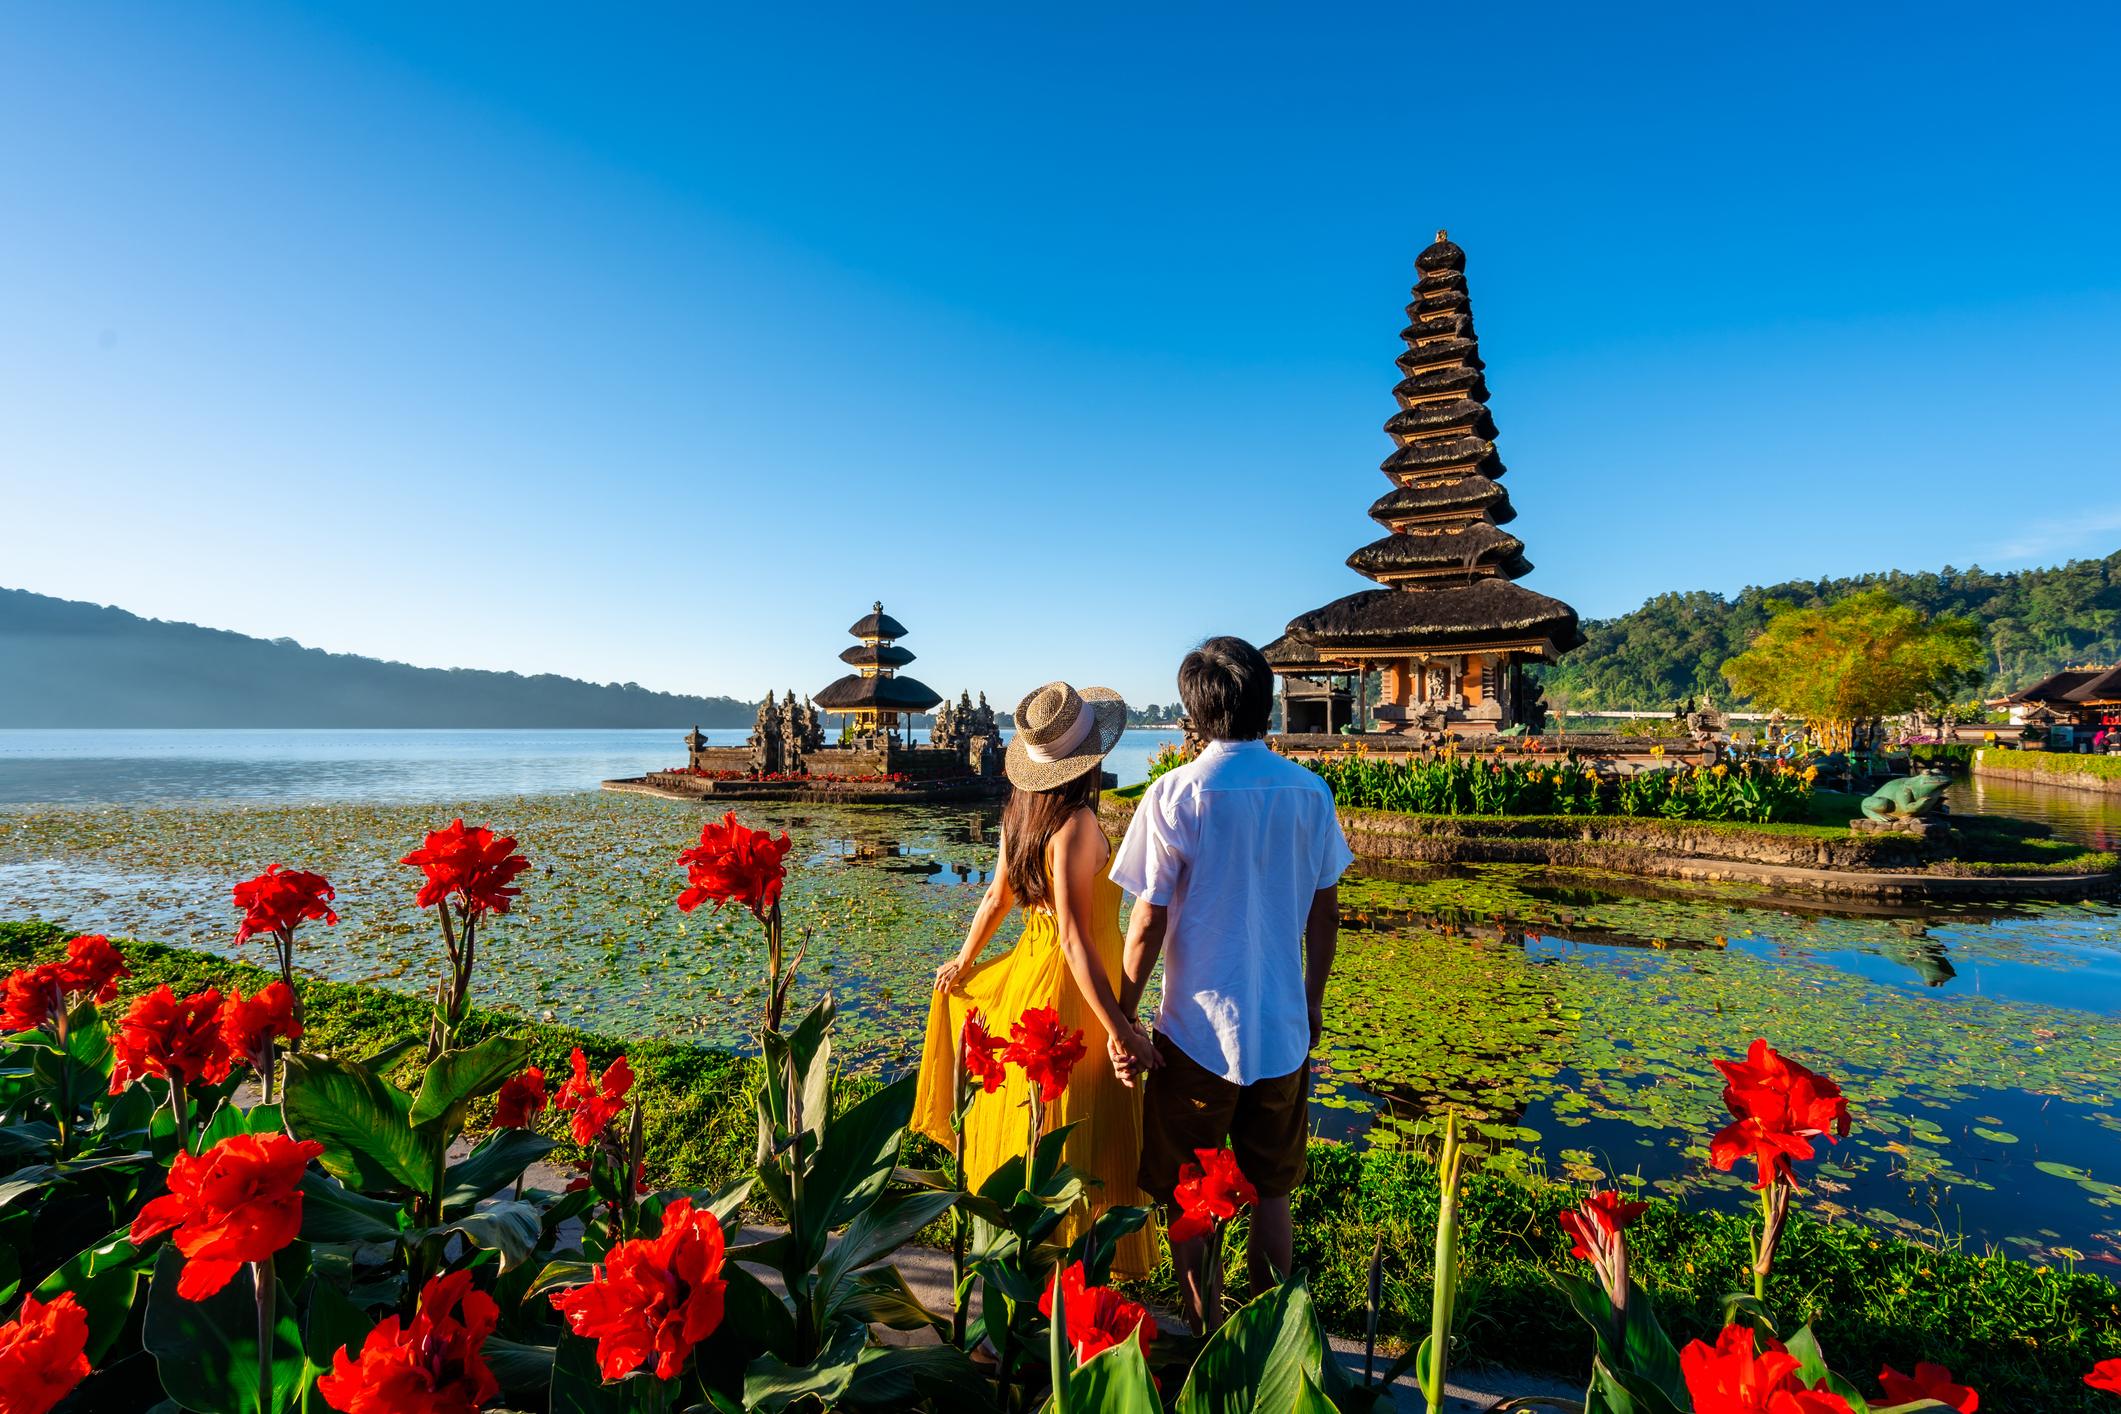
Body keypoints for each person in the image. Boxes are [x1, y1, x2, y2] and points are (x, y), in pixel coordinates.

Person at [1108, 636, 1352, 1330]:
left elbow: (1145, 923)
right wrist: (1310, 999)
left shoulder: (1175, 793)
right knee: (1272, 1190)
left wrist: (1123, 1017)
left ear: (1193, 711)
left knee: (1194, 1195)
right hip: (1280, 1029)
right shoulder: (1308, 792)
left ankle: (1208, 1337)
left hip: (1195, 1034)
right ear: (1266, 700)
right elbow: (1323, 910)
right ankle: (1272, 1339)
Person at [911, 680, 1159, 1278]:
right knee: (1082, 1138)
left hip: (1030, 974)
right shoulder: (1074, 825)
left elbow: (996, 896)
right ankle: (1067, 1285)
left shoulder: (1020, 815)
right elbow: (1076, 937)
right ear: (1090, 762)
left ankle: (1027, 1277)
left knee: (1041, 1132)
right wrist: (1120, 1027)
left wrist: (967, 961)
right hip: (1073, 990)